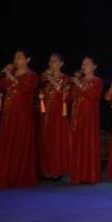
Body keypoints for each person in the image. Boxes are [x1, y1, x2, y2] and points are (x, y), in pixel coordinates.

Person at [0, 50, 39, 189]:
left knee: (19, 144)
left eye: (19, 57)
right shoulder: (10, 74)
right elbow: (0, 88)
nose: (16, 60)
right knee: (7, 143)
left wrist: (10, 75)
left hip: (22, 115)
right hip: (8, 114)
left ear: (27, 59)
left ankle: (19, 177)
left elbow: (25, 88)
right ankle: (6, 176)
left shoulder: (32, 75)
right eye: (15, 57)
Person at [66, 56, 102, 184]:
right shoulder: (79, 80)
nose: (84, 66)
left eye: (87, 64)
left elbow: (92, 95)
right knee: (77, 143)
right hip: (76, 116)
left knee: (88, 143)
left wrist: (78, 84)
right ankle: (78, 175)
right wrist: (68, 87)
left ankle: (89, 175)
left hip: (89, 118)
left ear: (94, 66)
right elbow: (69, 98)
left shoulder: (97, 81)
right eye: (83, 64)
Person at [37, 52, 71, 180]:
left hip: (58, 115)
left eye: (55, 61)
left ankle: (56, 170)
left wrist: (51, 79)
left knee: (56, 141)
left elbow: (64, 93)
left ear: (61, 63)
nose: (52, 64)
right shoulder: (44, 78)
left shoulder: (65, 78)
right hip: (45, 114)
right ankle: (45, 170)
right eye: (50, 61)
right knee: (45, 140)